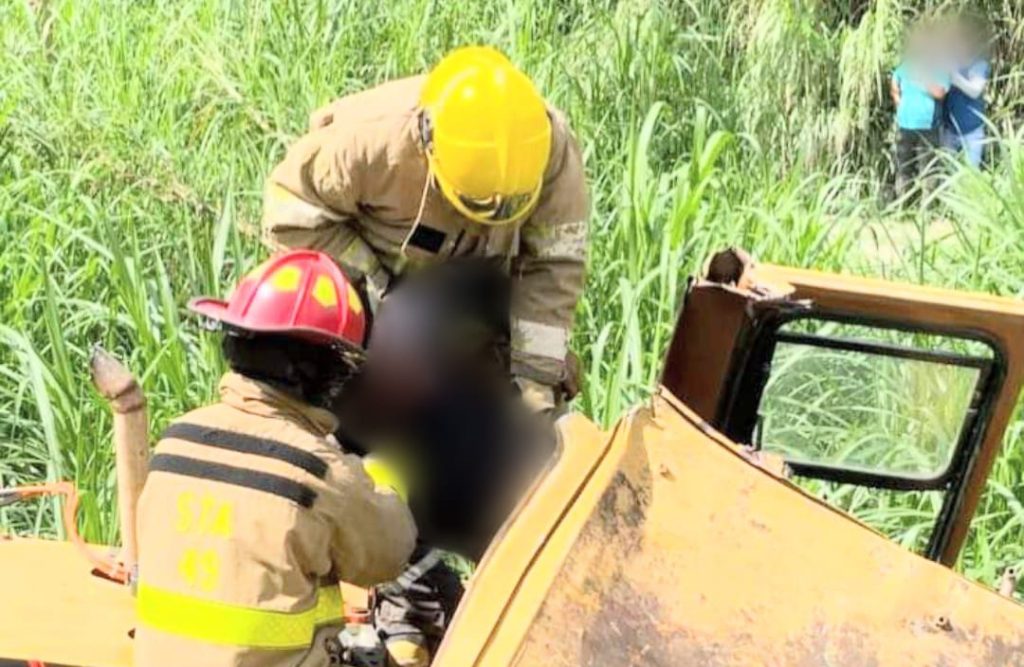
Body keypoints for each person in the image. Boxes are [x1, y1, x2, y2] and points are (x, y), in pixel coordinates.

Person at [261, 45, 590, 416]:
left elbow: (554, 264)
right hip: (386, 276)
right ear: (432, 152)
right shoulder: (371, 142)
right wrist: (375, 290)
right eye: (479, 205)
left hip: (485, 276)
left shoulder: (548, 148)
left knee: (531, 396)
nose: (489, 220)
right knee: (379, 396)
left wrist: (537, 382)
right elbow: (290, 213)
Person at [134, 250, 417, 666]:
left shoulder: (175, 442)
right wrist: (386, 482)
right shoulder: (317, 471)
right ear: (318, 371)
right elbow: (388, 555)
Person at [891, 25, 951, 198]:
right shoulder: (906, 66)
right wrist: (900, 104)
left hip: (928, 125)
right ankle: (903, 205)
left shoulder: (939, 69)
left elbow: (940, 92)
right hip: (905, 125)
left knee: (928, 169)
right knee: (904, 168)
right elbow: (894, 83)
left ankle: (927, 207)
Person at [941, 16, 991, 168]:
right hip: (949, 130)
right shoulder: (948, 61)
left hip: (972, 131)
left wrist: (953, 76)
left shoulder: (979, 64)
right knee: (947, 175)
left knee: (972, 175)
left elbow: (975, 91)